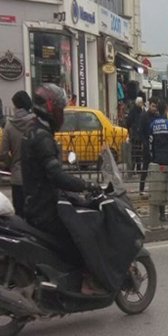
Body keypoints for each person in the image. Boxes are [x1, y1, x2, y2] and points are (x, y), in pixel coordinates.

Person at [21, 84, 101, 260]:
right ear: (52, 109)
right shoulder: (42, 138)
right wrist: (86, 185)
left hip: (36, 203)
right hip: (45, 209)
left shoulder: (32, 131)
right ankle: (82, 282)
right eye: (61, 110)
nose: (62, 115)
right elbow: (56, 176)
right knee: (82, 236)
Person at [0, 91, 34, 217]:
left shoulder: (9, 125)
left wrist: (11, 164)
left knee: (19, 214)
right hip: (35, 177)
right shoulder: (35, 122)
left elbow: (3, 152)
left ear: (16, 106)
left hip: (17, 177)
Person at [149, 99, 168, 222]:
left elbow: (150, 143)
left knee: (160, 186)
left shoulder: (153, 124)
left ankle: (161, 213)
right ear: (166, 110)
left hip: (157, 160)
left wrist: (153, 157)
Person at [138, 96, 157, 196]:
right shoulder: (144, 116)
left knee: (155, 168)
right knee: (145, 167)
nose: (154, 109)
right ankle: (141, 189)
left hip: (154, 145)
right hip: (147, 145)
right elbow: (140, 130)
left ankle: (153, 188)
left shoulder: (156, 116)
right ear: (149, 105)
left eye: (155, 107)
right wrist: (144, 142)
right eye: (153, 106)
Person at [126, 97, 144, 173]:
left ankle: (136, 168)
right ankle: (135, 168)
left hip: (137, 134)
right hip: (135, 134)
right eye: (141, 103)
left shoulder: (139, 110)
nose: (142, 104)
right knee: (136, 152)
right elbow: (129, 122)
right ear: (138, 103)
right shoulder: (135, 111)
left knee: (137, 152)